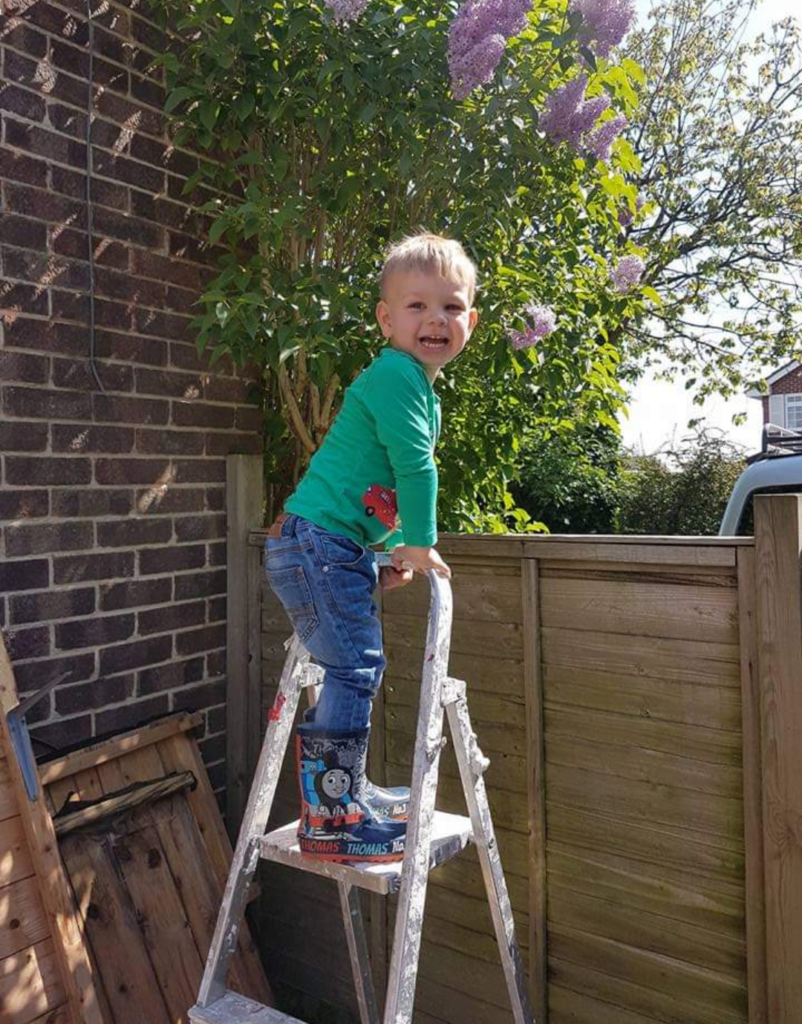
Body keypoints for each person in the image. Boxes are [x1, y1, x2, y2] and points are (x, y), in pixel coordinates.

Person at [265, 232, 479, 863]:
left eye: (451, 306)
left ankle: (346, 793)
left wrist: (374, 560)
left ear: (472, 320)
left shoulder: (414, 385)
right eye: (417, 307)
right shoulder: (396, 375)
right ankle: (332, 816)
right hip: (320, 546)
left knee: (354, 667)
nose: (435, 319)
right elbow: (414, 470)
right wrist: (418, 545)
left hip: (330, 547)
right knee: (356, 669)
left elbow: (365, 490)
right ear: (387, 319)